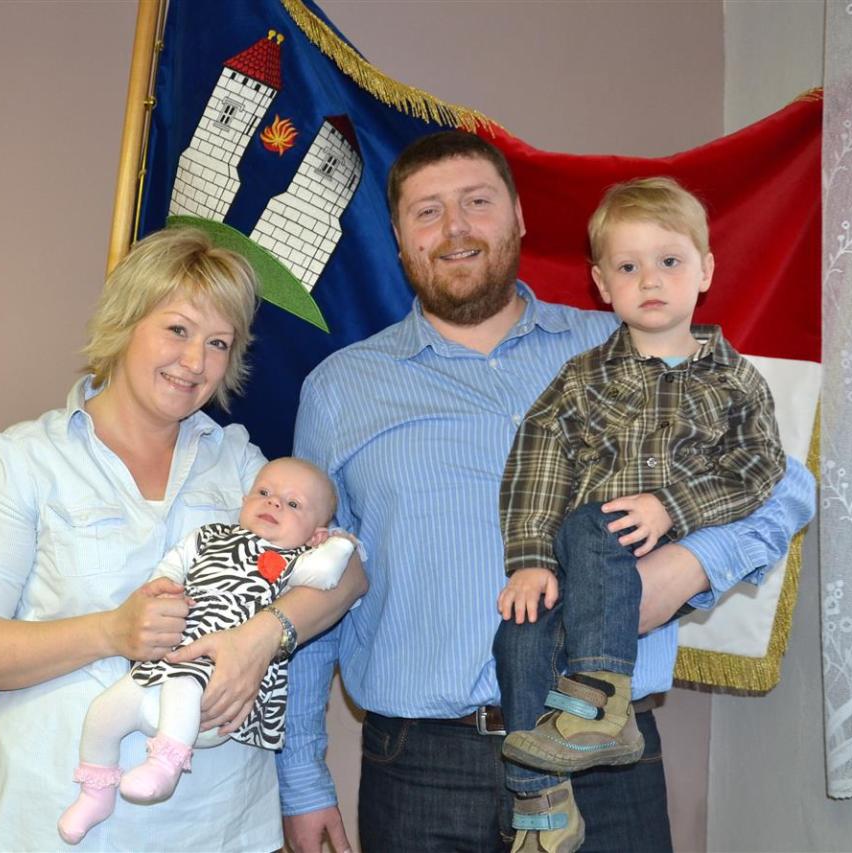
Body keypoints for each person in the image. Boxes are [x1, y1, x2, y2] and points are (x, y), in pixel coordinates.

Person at [278, 131, 816, 853]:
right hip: (421, 771)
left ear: (520, 217)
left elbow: (784, 481)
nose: (456, 228)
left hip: (602, 757)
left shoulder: (630, 343)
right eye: (427, 212)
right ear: (400, 241)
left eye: (477, 202)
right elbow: (311, 579)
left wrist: (690, 566)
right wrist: (302, 779)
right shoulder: (339, 389)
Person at [0, 226, 366, 852]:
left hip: (224, 832)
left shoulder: (242, 466)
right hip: (60, 830)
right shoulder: (25, 462)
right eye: (178, 329)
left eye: (217, 343)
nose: (195, 362)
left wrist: (259, 639)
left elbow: (348, 574)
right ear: (126, 323)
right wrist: (110, 632)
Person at [494, 177, 787, 852]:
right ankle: (541, 804)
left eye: (669, 261)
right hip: (582, 561)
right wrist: (531, 560)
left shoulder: (734, 380)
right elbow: (538, 461)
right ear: (602, 284)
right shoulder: (583, 377)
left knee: (589, 521)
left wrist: (672, 506)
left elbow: (760, 467)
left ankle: (602, 699)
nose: (649, 279)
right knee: (519, 632)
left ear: (705, 270)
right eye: (628, 267)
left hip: (655, 544)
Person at [58, 457, 356, 844]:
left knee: (185, 684)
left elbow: (330, 575)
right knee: (105, 710)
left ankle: (164, 767)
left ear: (315, 533)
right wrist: (162, 584)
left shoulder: (296, 560)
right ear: (245, 500)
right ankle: (95, 792)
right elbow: (176, 561)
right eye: (264, 492)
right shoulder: (209, 535)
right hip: (165, 662)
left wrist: (337, 544)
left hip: (218, 685)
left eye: (293, 503)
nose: (274, 503)